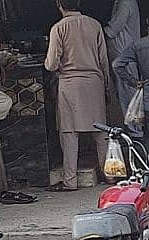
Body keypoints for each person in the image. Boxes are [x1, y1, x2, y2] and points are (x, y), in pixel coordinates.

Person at [44, 0, 110, 192]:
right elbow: (104, 59)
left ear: (59, 5)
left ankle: (70, 181)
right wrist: (106, 85)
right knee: (101, 132)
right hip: (94, 82)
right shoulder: (95, 24)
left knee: (69, 133)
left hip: (70, 84)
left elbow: (51, 64)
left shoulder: (58, 28)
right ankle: (110, 176)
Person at [113, 18, 149, 144]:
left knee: (147, 137)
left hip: (147, 99)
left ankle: (146, 162)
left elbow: (117, 64)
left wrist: (133, 82)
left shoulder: (139, 45)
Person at [105, 0, 141, 115]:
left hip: (123, 57)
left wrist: (92, 30)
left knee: (127, 96)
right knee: (126, 94)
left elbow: (112, 30)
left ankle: (134, 132)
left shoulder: (125, 3)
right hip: (123, 56)